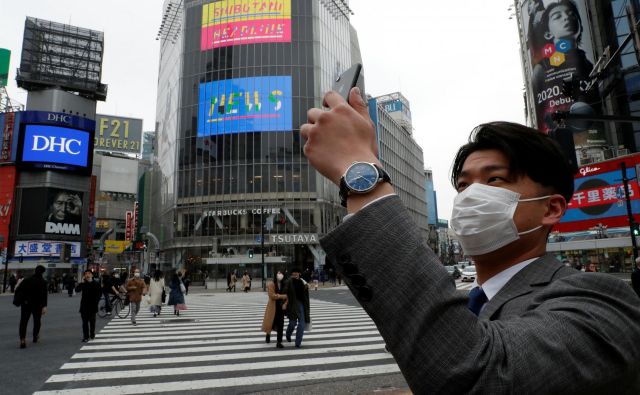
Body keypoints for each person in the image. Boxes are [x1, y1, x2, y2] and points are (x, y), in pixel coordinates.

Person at [300, 87, 640, 393]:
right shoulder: (469, 304)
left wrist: (360, 170)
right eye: (463, 186)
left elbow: (477, 376)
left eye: (494, 179)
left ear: (551, 209)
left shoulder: (602, 301)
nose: (471, 196)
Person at [16, 265, 48, 349]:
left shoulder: (27, 280)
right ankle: (35, 336)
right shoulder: (43, 282)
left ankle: (22, 339)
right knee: (37, 321)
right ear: (43, 272)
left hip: (26, 304)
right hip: (38, 305)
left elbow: (19, 290)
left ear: (35, 271)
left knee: (23, 322)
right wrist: (44, 306)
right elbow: (44, 295)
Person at [283, 267, 310, 348]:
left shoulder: (303, 282)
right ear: (291, 274)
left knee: (301, 324)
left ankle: (298, 342)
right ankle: (288, 334)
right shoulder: (288, 281)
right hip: (292, 305)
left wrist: (308, 308)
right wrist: (284, 303)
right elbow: (284, 292)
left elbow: (306, 295)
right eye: (293, 272)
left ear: (299, 273)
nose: (295, 274)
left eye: (297, 272)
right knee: (292, 323)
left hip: (301, 304)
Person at [261, 270, 288, 348]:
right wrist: (282, 296)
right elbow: (272, 295)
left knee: (281, 324)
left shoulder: (284, 284)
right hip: (273, 307)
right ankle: (268, 334)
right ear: (275, 274)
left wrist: (285, 302)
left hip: (281, 307)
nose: (280, 275)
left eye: (281, 273)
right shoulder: (271, 284)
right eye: (278, 273)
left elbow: (288, 295)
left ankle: (279, 342)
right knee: (271, 322)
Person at [75, 270, 102, 342]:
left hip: (93, 306)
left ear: (92, 275)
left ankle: (92, 334)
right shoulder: (83, 283)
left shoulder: (96, 284)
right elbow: (77, 290)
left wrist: (96, 302)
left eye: (89, 274)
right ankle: (85, 336)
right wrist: (81, 282)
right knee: (84, 323)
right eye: (86, 274)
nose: (87, 275)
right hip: (84, 306)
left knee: (92, 322)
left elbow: (99, 294)